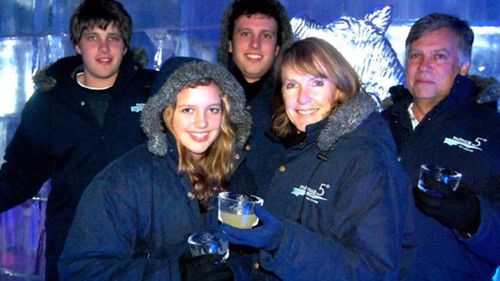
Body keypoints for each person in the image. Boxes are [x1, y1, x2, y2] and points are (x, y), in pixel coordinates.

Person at [219, 37, 411, 280]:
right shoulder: (300, 148)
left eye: (316, 83)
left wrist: (282, 242)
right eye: (291, 85)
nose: (302, 98)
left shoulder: (366, 156)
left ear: (340, 88)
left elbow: (373, 271)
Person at [0, 0, 157, 279]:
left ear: (125, 45)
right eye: (93, 37)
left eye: (113, 38)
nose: (104, 48)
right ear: (77, 45)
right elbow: (18, 175)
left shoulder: (152, 92)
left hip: (140, 252)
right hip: (72, 250)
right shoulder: (50, 102)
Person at [58, 58, 254, 281]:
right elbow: (81, 271)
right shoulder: (122, 182)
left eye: (212, 109)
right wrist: (175, 274)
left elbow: (255, 257)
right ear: (166, 113)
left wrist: (233, 272)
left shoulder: (237, 172)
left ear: (226, 113)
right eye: (188, 110)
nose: (202, 123)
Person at [382, 13, 500, 280]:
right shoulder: (374, 126)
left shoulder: (493, 131)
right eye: (415, 55)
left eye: (439, 56)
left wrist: (474, 220)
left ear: (464, 66)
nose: (423, 66)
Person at [217, 0, 293, 191]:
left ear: (277, 49)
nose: (255, 44)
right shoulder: (204, 97)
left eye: (266, 35)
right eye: (245, 33)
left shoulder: (297, 103)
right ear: (229, 44)